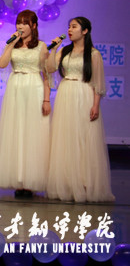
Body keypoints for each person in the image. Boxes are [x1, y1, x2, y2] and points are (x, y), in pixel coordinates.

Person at [46, 17, 115, 202]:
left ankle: (84, 182)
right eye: (69, 27)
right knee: (65, 137)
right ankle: (67, 182)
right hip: (65, 93)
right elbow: (50, 68)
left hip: (83, 94)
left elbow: (98, 82)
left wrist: (96, 105)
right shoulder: (64, 51)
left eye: (74, 27)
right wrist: (54, 49)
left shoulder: (93, 54)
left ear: (84, 31)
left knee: (83, 137)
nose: (70, 30)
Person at [0, 10, 51, 198]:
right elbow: (2, 64)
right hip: (15, 87)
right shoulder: (13, 45)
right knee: (16, 131)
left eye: (25, 23)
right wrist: (10, 44)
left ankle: (32, 180)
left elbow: (47, 76)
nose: (20, 26)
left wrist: (46, 99)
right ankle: (18, 179)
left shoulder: (41, 46)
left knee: (32, 133)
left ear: (34, 26)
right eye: (18, 22)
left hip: (34, 87)